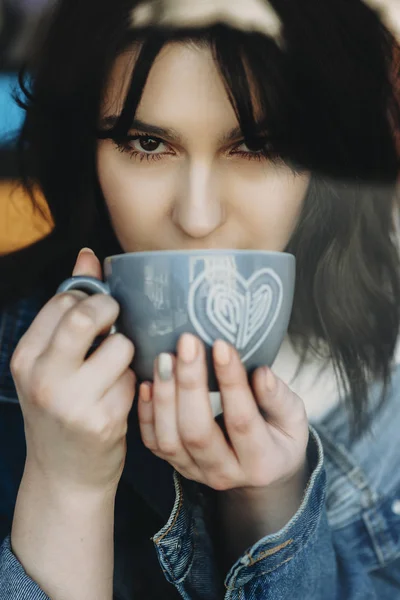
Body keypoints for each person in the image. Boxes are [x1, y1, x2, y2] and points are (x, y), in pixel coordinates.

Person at [1, 0, 400, 598]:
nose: (197, 216)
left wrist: (270, 511)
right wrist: (66, 492)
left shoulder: (383, 393)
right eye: (147, 142)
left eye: (258, 144)